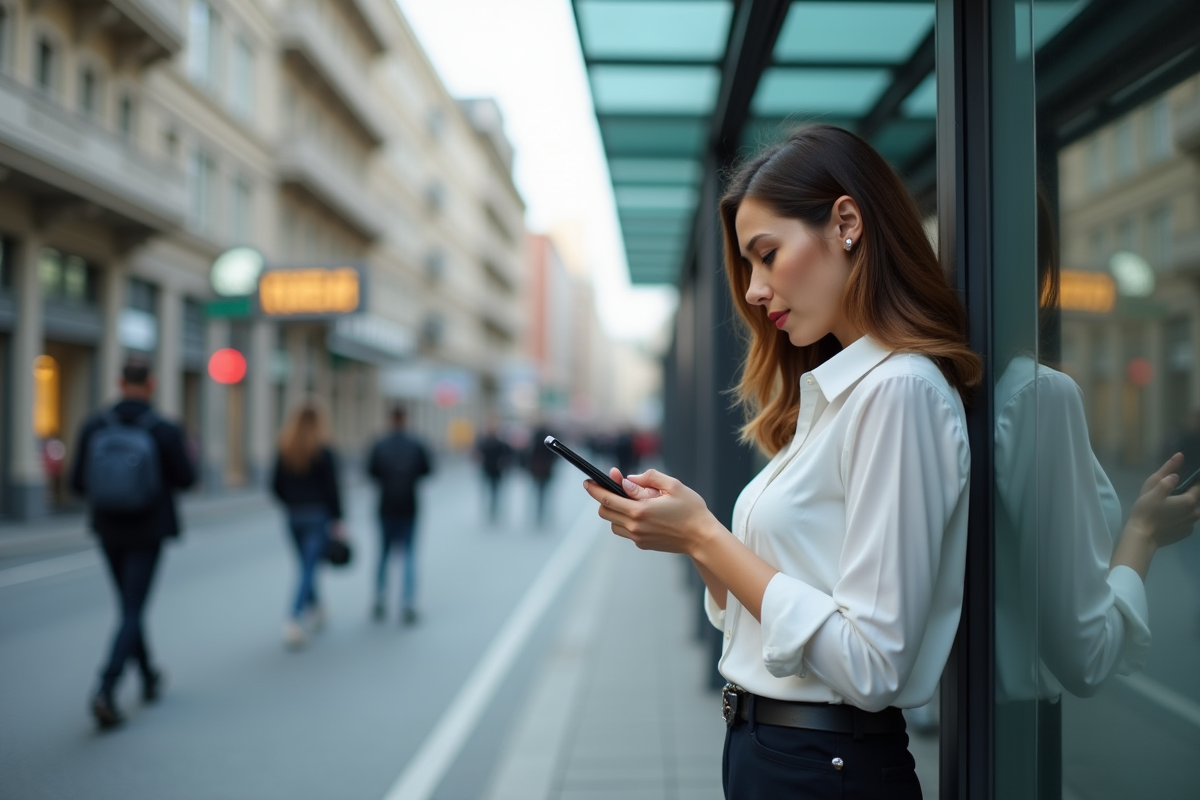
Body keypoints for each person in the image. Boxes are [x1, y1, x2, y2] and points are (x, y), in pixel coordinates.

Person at [583, 125, 981, 799]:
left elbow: (873, 664)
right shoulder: (838, 394)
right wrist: (696, 538)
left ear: (847, 222)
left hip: (826, 765)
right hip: (778, 753)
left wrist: (706, 536)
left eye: (767, 256)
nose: (756, 290)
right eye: (747, 267)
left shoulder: (898, 390)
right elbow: (764, 608)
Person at [70, 359, 196, 729]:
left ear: (118, 382)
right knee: (132, 608)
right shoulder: (165, 428)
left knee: (128, 606)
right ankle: (106, 689)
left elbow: (78, 483)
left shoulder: (95, 425)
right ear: (152, 384)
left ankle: (148, 675)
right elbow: (186, 479)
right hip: (148, 529)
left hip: (108, 528)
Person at [271, 402, 343, 649]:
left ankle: (317, 606)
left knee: (306, 564)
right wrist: (338, 519)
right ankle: (294, 617)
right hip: (317, 515)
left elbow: (275, 485)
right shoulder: (324, 451)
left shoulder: (286, 448)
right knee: (308, 568)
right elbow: (333, 489)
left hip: (294, 516)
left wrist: (291, 502)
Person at [367, 406, 432, 624]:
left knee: (383, 555)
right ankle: (408, 602)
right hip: (408, 506)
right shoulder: (415, 444)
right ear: (405, 419)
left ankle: (379, 598)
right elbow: (427, 470)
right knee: (409, 555)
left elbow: (370, 472)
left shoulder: (380, 444)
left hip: (386, 506)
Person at [474, 420, 512, 525]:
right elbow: (477, 454)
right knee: (491, 490)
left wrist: (503, 463)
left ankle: (494, 509)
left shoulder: (499, 443)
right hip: (488, 470)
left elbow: (507, 455)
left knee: (495, 490)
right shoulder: (484, 442)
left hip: (496, 470)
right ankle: (491, 509)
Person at [524, 422, 556, 528]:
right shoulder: (548, 442)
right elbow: (554, 457)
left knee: (538, 491)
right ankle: (541, 512)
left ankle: (538, 512)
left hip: (537, 470)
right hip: (545, 470)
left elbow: (529, 455)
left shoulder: (535, 440)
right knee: (543, 492)